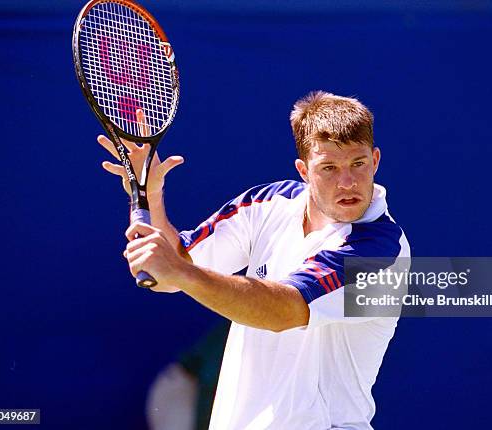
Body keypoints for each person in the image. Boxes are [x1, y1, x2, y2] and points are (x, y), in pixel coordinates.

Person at [98, 91, 410, 429]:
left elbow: (283, 310)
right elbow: (170, 273)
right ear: (303, 171)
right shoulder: (267, 204)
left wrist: (178, 271)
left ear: (375, 160)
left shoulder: (381, 251)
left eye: (358, 164)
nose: (347, 181)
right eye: (329, 168)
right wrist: (151, 196)